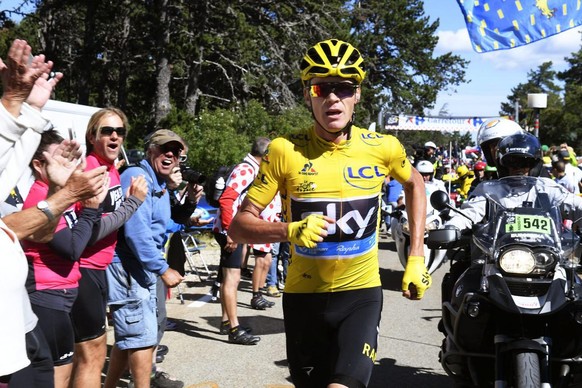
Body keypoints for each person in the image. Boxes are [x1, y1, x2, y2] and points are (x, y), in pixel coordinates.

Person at [230, 38, 430, 388]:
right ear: (308, 95)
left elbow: (415, 185)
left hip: (361, 295)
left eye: (343, 88)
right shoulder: (284, 150)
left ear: (357, 95)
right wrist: (288, 230)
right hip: (303, 299)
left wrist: (416, 256)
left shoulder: (383, 147)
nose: (332, 98)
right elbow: (239, 227)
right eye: (322, 88)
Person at [0, 38, 108, 387]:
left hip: (23, 323)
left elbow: (42, 228)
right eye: (109, 131)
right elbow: (66, 243)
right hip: (39, 305)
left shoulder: (30, 185)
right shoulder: (28, 190)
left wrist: (26, 107)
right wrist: (71, 198)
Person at [104, 129, 196, 388]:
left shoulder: (159, 183)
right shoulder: (138, 176)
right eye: (165, 148)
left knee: (129, 338)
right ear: (150, 151)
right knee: (143, 339)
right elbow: (137, 232)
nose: (171, 154)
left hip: (138, 267)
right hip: (128, 266)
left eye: (176, 152)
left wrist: (189, 207)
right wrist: (163, 268)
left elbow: (163, 224)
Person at [22, 130, 110, 388]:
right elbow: (71, 248)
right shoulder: (41, 198)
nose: (69, 165)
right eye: (61, 159)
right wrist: (92, 210)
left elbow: (84, 236)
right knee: (56, 378)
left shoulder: (61, 196)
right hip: (47, 296)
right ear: (39, 165)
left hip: (63, 293)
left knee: (65, 371)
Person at [70, 108, 148, 388]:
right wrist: (133, 203)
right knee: (92, 354)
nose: (115, 136)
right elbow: (90, 232)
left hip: (98, 268)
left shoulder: (112, 169)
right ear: (92, 136)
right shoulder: (92, 171)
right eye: (107, 131)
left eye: (120, 132)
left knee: (83, 355)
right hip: (83, 269)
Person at [212, 137, 270, 344]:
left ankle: (226, 321)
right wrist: (230, 231)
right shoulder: (246, 170)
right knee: (232, 278)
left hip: (234, 229)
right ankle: (234, 329)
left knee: (228, 275)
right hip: (231, 230)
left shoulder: (250, 169)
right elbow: (227, 199)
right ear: (264, 155)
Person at [249, 192, 282, 306]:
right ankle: (255, 295)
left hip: (270, 228)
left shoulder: (277, 194)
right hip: (260, 227)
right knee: (260, 261)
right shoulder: (264, 190)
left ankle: (260, 293)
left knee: (267, 261)